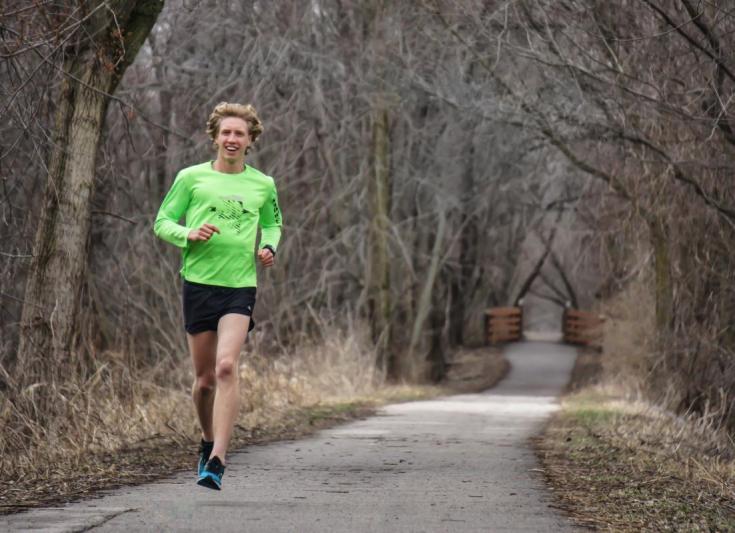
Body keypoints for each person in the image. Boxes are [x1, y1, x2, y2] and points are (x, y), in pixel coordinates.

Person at [154, 102, 282, 490]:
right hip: (198, 284)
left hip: (239, 287)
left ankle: (218, 460)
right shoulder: (191, 178)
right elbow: (162, 222)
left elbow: (273, 223)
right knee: (205, 380)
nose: (232, 139)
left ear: (250, 140)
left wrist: (270, 248)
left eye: (239, 134)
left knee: (227, 367)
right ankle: (207, 439)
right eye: (226, 132)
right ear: (215, 137)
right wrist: (187, 234)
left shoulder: (263, 184)